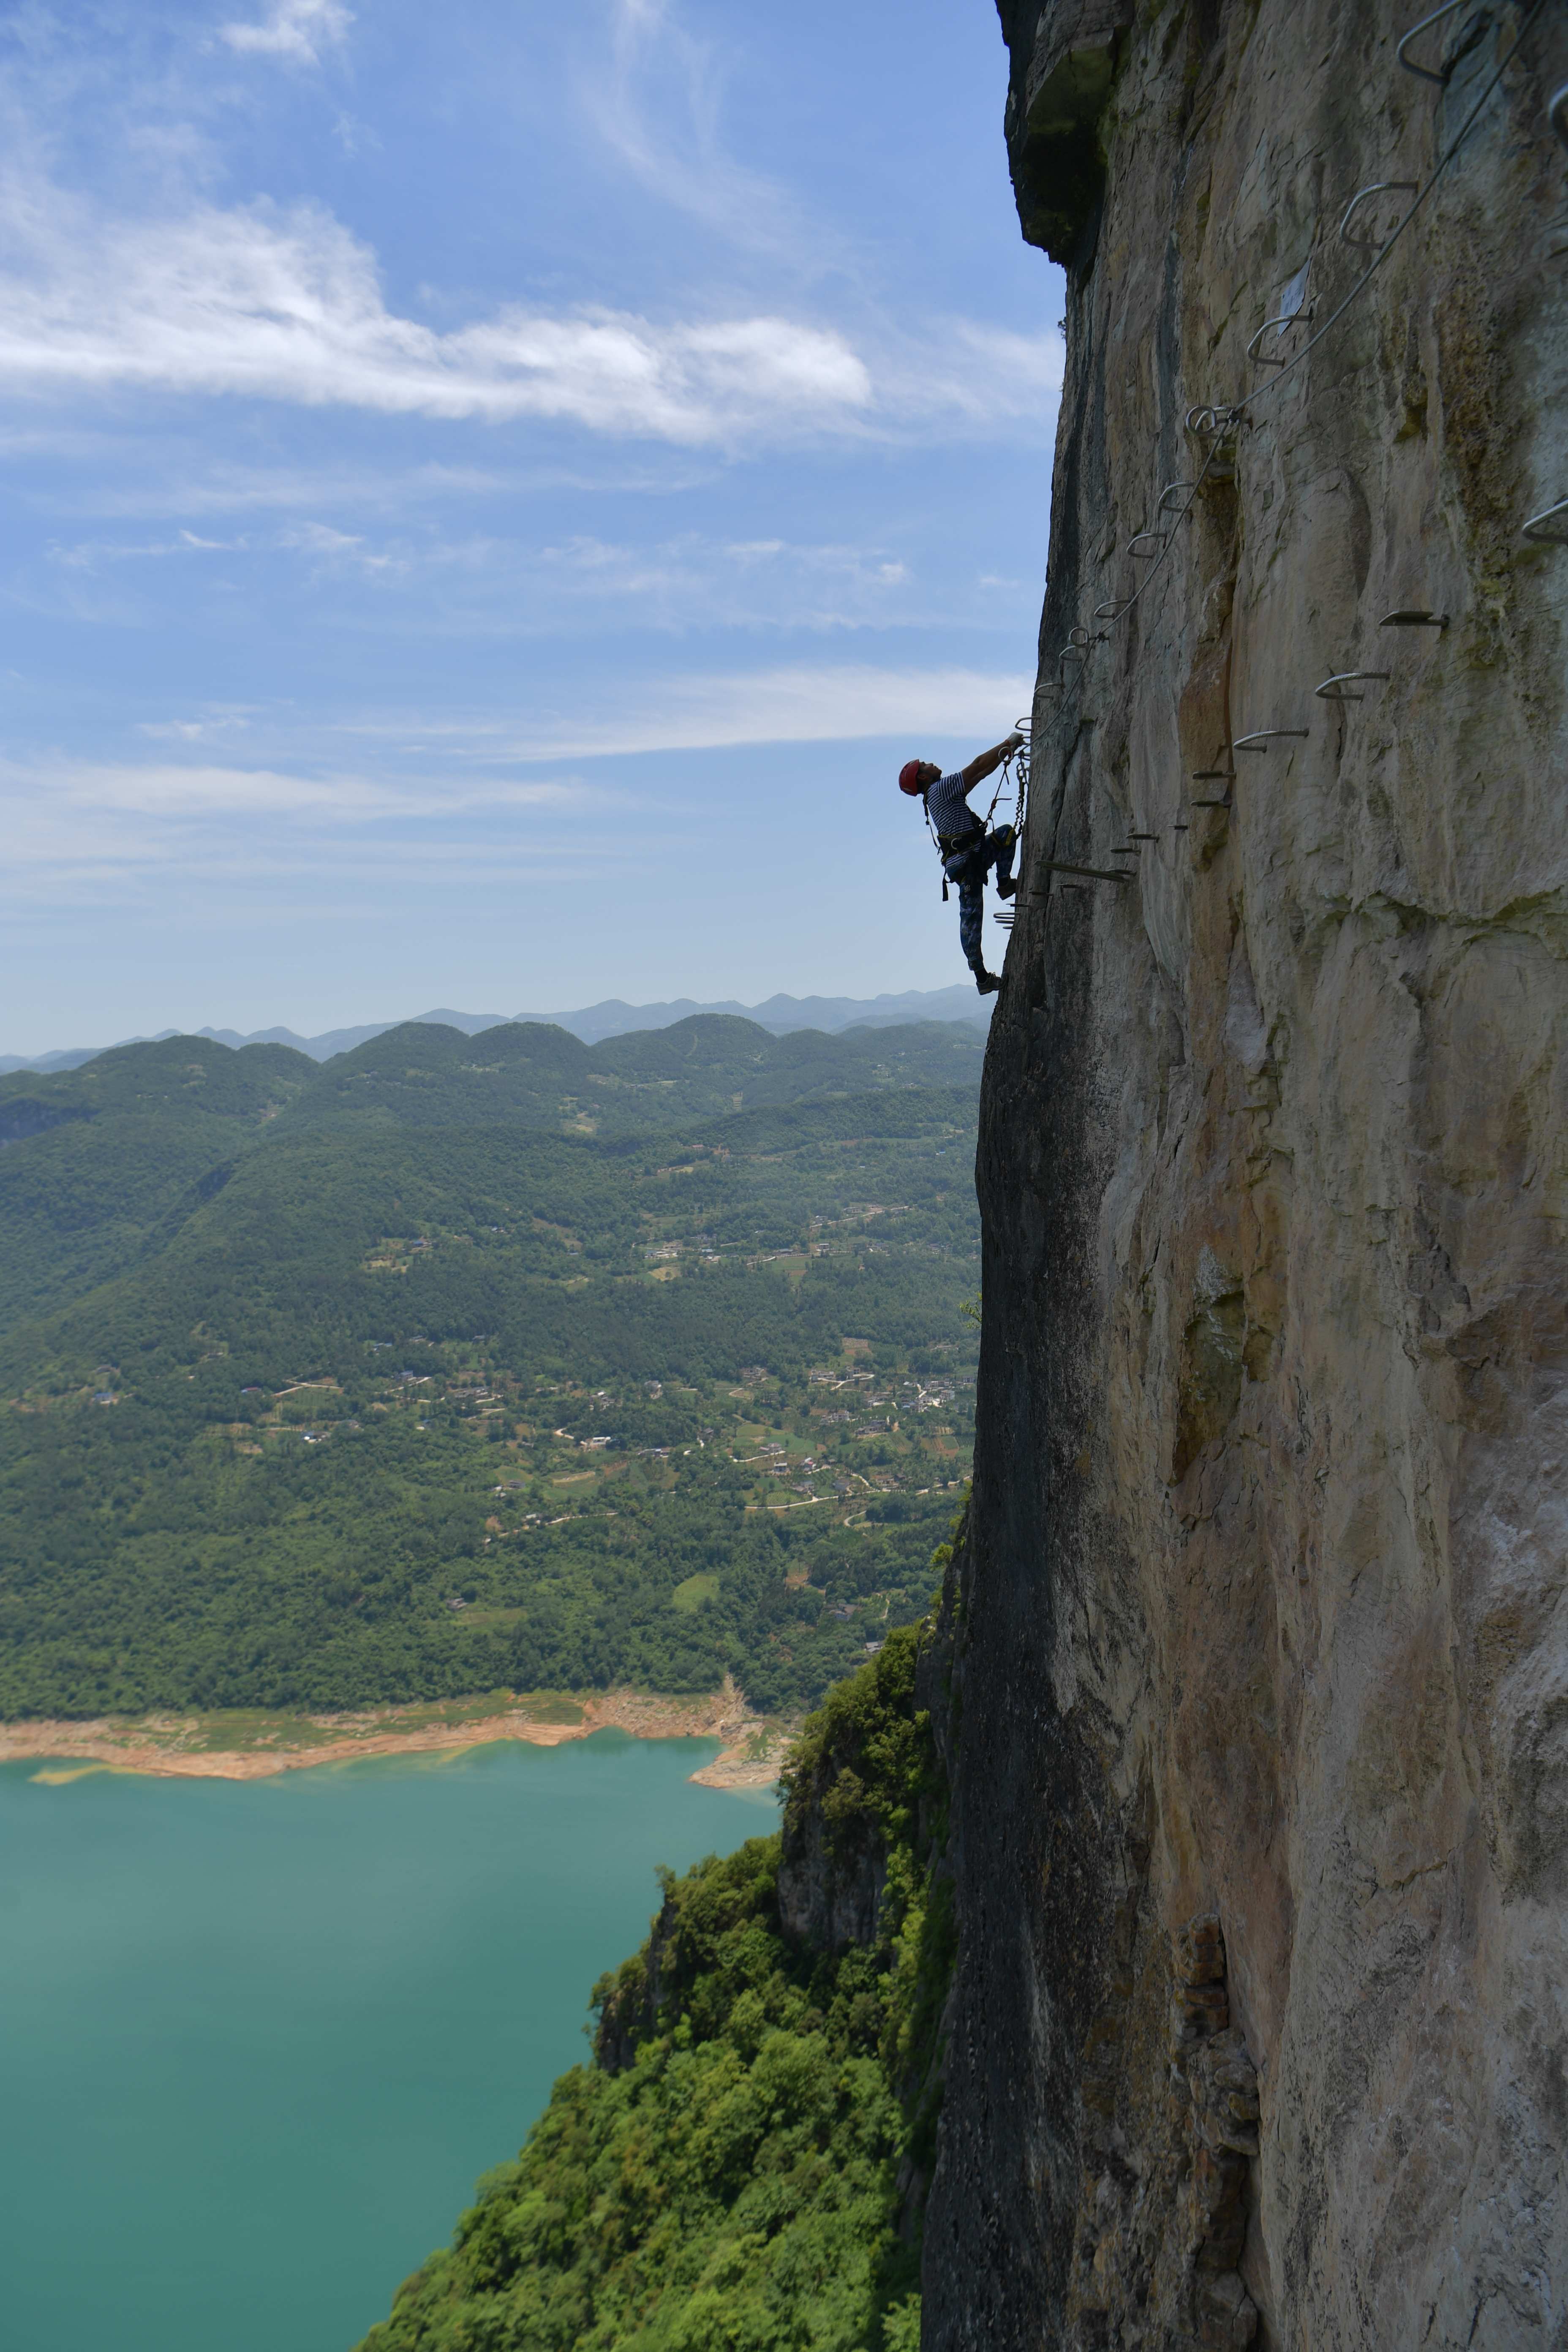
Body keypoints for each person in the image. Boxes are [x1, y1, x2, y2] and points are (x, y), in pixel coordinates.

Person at [898, 733, 1024, 994]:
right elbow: (977, 766)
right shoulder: (940, 789)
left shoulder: (936, 793)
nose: (932, 764)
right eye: (926, 765)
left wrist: (1003, 756)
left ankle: (1004, 884)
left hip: (970, 857)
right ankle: (981, 978)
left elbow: (979, 775)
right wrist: (1007, 745)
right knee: (971, 918)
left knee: (1005, 835)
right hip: (967, 864)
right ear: (923, 777)